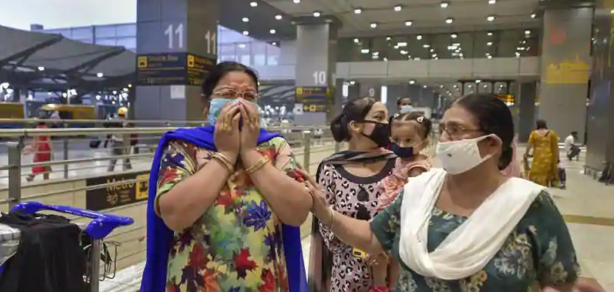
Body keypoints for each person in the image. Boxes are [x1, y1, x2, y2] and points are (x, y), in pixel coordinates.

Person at [304, 93, 580, 292]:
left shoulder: (528, 204)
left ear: (492, 144)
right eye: (443, 129)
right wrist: (325, 212)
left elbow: (559, 281)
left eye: (456, 130)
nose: (445, 139)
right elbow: (373, 237)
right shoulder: (420, 190)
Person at [141, 62, 310, 292]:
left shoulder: (275, 146)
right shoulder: (183, 146)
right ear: (206, 102)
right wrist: (227, 155)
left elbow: (298, 211)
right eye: (228, 94)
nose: (239, 102)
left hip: (264, 282)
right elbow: (173, 215)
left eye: (248, 96)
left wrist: (249, 153)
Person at [308, 97, 395, 292]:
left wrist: (383, 249)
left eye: (387, 119)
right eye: (379, 118)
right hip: (347, 274)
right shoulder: (331, 168)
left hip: (392, 269)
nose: (385, 124)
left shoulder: (398, 165)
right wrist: (362, 246)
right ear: (355, 126)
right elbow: (325, 224)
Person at [373, 112, 434, 290]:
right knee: (383, 256)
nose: (401, 145)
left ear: (424, 142)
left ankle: (387, 287)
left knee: (392, 258)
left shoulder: (417, 167)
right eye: (396, 139)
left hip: (402, 217)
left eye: (409, 140)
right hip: (391, 210)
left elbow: (413, 196)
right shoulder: (401, 160)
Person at [525, 119, 562, 188]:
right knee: (546, 174)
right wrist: (558, 157)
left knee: (536, 173)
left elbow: (529, 145)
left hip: (537, 156)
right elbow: (556, 147)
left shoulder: (534, 133)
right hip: (548, 157)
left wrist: (526, 154)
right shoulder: (551, 133)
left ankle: (537, 188)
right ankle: (545, 187)